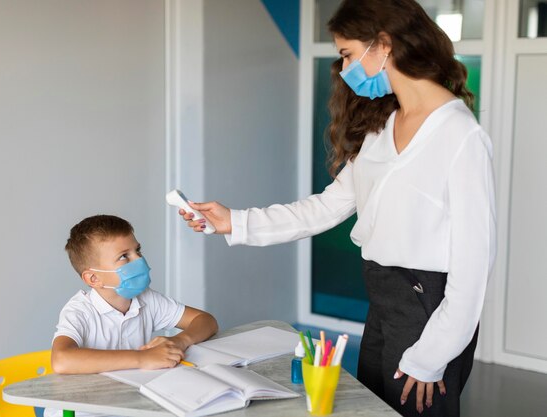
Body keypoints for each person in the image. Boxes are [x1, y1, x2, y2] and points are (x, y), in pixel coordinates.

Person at [178, 1, 495, 416]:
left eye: (347, 53)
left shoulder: (460, 135)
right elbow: (326, 207)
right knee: (371, 408)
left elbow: (475, 263)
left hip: (429, 308)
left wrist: (432, 355)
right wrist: (234, 222)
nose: (345, 69)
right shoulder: (382, 128)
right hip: (383, 296)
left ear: (383, 44)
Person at [47, 214, 218, 417]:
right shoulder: (80, 311)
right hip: (84, 411)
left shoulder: (148, 299)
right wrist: (142, 358)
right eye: (124, 256)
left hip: (129, 405)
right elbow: (61, 360)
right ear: (93, 278)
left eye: (137, 251)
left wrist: (179, 341)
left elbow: (206, 321)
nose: (138, 260)